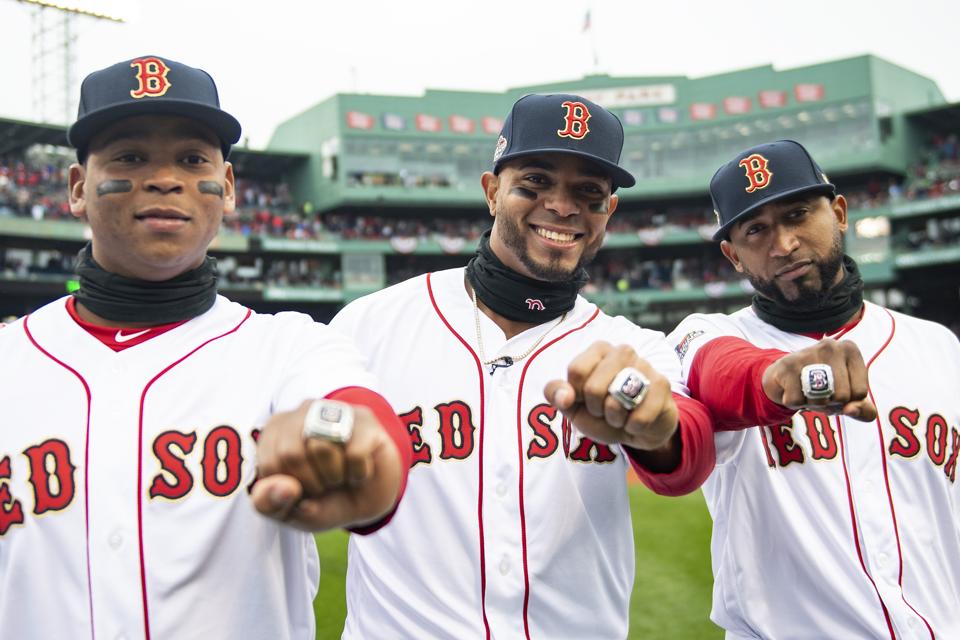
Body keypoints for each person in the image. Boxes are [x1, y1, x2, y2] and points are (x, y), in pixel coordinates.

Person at [0, 55, 411, 640]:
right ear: (77, 189)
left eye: (193, 159)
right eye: (129, 157)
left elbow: (366, 424)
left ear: (230, 189)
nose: (165, 179)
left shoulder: (289, 348)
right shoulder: (10, 360)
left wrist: (352, 448)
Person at [330, 93, 717, 639]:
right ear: (492, 192)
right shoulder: (371, 324)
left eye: (588, 193)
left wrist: (659, 431)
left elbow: (688, 455)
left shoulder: (633, 349)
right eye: (535, 182)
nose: (561, 206)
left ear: (608, 212)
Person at [667, 139, 960, 638]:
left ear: (839, 213)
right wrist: (778, 379)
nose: (783, 244)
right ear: (732, 255)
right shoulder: (702, 337)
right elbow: (717, 370)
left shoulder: (938, 347)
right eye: (756, 229)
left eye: (797, 214)